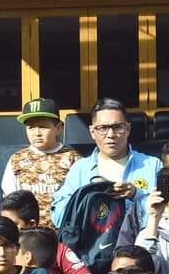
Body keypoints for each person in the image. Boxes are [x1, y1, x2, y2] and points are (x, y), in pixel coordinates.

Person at [50, 98, 162, 233]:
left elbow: (168, 213)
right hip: (91, 248)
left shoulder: (152, 165)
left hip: (139, 246)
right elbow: (58, 217)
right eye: (102, 128)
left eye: (117, 127)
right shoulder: (79, 169)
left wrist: (136, 195)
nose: (110, 135)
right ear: (92, 132)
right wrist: (89, 198)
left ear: (127, 129)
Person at [1, 98, 81, 225]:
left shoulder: (73, 158)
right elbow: (10, 200)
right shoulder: (17, 159)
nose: (37, 133)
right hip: (28, 236)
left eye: (43, 127)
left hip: (63, 234)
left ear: (58, 128)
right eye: (31, 127)